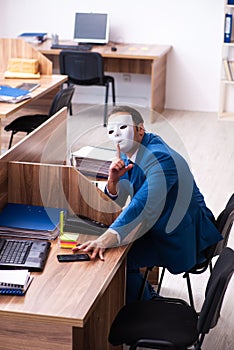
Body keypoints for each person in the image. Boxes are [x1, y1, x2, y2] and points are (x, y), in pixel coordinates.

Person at [73, 106, 222, 303]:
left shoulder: (160, 158)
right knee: (115, 245)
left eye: (122, 127)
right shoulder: (132, 151)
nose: (116, 135)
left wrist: (104, 239)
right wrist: (113, 182)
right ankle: (142, 297)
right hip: (161, 223)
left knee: (120, 259)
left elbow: (140, 206)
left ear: (140, 129)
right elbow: (117, 204)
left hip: (184, 237)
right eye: (111, 131)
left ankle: (147, 304)